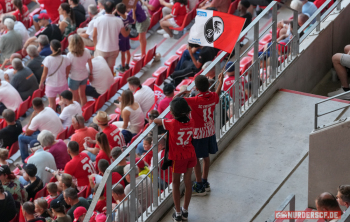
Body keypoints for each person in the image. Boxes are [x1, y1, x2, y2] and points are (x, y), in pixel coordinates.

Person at [177, 74, 223, 196]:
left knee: (196, 159)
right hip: (210, 131)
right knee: (206, 157)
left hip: (198, 134)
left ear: (196, 88)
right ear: (209, 85)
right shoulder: (212, 96)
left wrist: (182, 93)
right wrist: (220, 81)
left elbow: (175, 101)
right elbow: (217, 95)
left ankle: (199, 186)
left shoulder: (194, 100)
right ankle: (205, 181)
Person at [154, 98, 196, 221]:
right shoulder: (192, 122)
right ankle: (185, 211)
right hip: (191, 154)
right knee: (188, 183)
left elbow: (156, 120)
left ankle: (177, 213)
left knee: (176, 184)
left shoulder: (171, 124)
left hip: (178, 158)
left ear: (173, 112)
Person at [18, 98, 63, 162]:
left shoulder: (36, 119)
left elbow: (27, 133)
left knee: (21, 137)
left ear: (34, 107)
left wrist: (31, 117)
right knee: (35, 130)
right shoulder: (49, 108)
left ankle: (25, 162)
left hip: (50, 139)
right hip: (60, 134)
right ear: (43, 104)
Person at [93, 0, 130, 72]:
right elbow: (125, 34)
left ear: (103, 8)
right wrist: (128, 30)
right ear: (113, 9)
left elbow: (94, 35)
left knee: (101, 69)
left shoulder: (98, 20)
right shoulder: (118, 20)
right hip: (114, 49)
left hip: (101, 49)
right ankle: (111, 82)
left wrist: (95, 46)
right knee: (111, 69)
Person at [39, 40, 71, 111]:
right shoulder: (66, 58)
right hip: (63, 83)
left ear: (51, 48)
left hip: (51, 85)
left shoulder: (47, 59)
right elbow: (67, 72)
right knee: (63, 104)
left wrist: (41, 83)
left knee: (52, 106)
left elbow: (44, 74)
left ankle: (55, 120)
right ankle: (63, 116)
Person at [67, 34, 92, 106]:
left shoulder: (70, 55)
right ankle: (84, 112)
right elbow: (90, 64)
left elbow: (68, 68)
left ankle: (77, 113)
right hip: (84, 75)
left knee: (75, 98)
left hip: (74, 77)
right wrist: (91, 74)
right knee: (83, 95)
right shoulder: (86, 51)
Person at [115, 3, 134, 72]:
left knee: (123, 53)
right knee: (128, 50)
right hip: (126, 36)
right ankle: (127, 64)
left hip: (121, 37)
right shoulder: (128, 16)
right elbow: (132, 22)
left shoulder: (118, 19)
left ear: (118, 11)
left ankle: (122, 67)